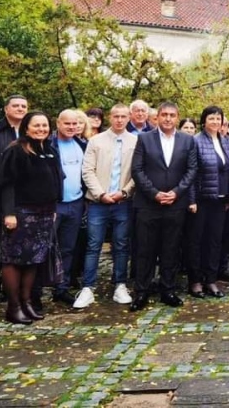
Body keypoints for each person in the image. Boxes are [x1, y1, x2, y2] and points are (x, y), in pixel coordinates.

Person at [0, 111, 63, 324]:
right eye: (36, 126)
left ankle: (26, 302)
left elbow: (54, 181)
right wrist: (9, 213)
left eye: (44, 125)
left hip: (43, 214)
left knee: (33, 260)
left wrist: (53, 206)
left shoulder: (47, 149)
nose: (41, 129)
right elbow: (7, 184)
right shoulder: (16, 150)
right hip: (21, 214)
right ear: (26, 128)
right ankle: (13, 307)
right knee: (13, 260)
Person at [129, 101, 198, 311]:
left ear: (177, 118)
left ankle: (168, 289)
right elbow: (137, 170)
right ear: (157, 117)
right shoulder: (144, 139)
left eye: (172, 115)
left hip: (176, 204)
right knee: (145, 250)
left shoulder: (187, 141)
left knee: (171, 248)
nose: (168, 118)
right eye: (164, 115)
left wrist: (176, 192)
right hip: (148, 204)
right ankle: (141, 291)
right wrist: (155, 194)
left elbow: (192, 170)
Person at [75, 104, 136, 309]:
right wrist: (100, 194)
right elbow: (87, 171)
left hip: (123, 202)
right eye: (116, 116)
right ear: (110, 117)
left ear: (129, 118)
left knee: (121, 244)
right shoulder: (96, 141)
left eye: (123, 116)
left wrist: (125, 192)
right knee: (94, 245)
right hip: (98, 202)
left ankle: (120, 285)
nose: (119, 120)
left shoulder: (136, 141)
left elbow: (138, 172)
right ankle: (88, 288)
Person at [0, 94, 28, 301]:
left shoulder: (30, 131)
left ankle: (15, 284)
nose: (20, 109)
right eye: (16, 105)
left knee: (18, 241)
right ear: (5, 109)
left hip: (23, 197)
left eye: (23, 106)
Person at [185, 105, 229, 299]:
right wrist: (191, 200)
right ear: (203, 120)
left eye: (218, 118)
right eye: (211, 118)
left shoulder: (225, 141)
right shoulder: (195, 141)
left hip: (220, 201)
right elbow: (191, 173)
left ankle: (211, 280)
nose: (215, 122)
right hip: (200, 200)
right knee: (196, 241)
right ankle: (195, 281)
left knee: (215, 242)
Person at [49, 110, 87, 306]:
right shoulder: (48, 144)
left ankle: (61, 288)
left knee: (68, 248)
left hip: (76, 203)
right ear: (58, 123)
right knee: (45, 248)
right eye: (67, 124)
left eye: (75, 124)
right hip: (54, 205)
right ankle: (35, 290)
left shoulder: (82, 144)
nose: (71, 127)